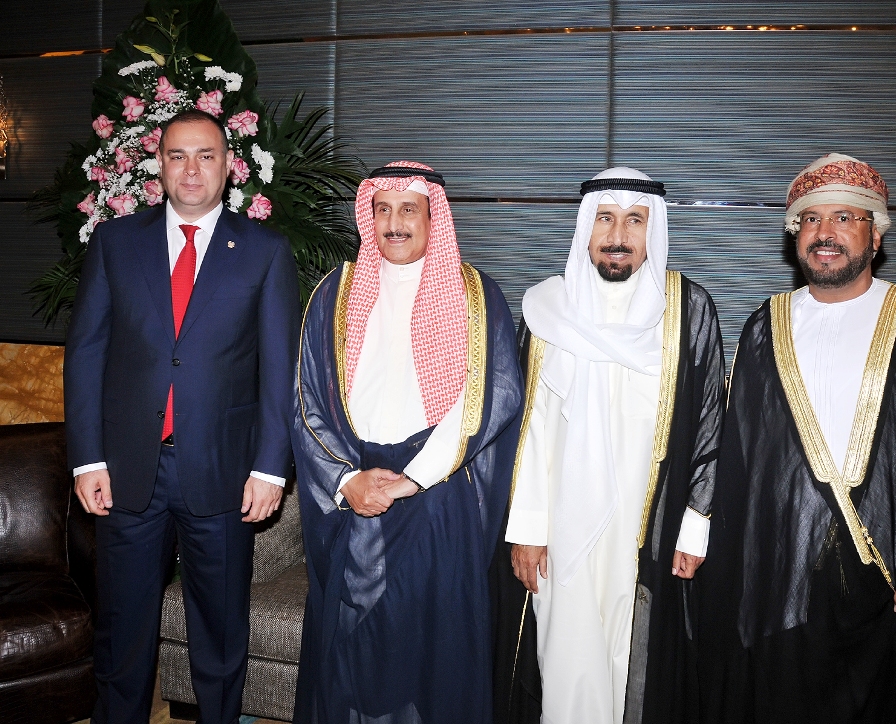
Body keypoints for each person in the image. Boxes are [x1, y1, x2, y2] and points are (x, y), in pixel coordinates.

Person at [698, 153, 896, 724]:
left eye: (844, 217)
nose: (824, 232)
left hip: (892, 581)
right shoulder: (764, 326)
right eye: (811, 219)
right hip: (783, 583)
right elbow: (736, 462)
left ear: (875, 236)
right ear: (796, 235)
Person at [64, 109, 300, 724]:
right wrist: (87, 459)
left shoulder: (265, 251)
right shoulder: (116, 242)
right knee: (121, 635)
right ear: (160, 165)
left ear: (229, 166)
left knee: (219, 637)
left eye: (205, 155)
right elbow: (86, 353)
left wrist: (269, 469)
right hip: (126, 473)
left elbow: (279, 370)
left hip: (224, 475)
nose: (191, 169)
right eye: (177, 155)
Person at [292, 161, 524, 724]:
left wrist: (415, 477)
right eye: (383, 209)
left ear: (432, 218)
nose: (394, 223)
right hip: (356, 493)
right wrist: (346, 480)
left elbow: (492, 394)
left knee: (433, 651)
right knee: (349, 650)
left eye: (409, 210)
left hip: (437, 496)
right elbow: (305, 399)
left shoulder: (475, 295)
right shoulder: (335, 294)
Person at [494, 168, 725, 724]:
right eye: (605, 219)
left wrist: (696, 522)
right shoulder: (549, 308)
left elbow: (710, 422)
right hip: (562, 524)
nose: (618, 235)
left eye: (634, 221)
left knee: (635, 655)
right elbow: (530, 428)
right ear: (586, 228)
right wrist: (527, 529)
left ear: (653, 230)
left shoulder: (687, 310)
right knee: (565, 656)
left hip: (648, 524)